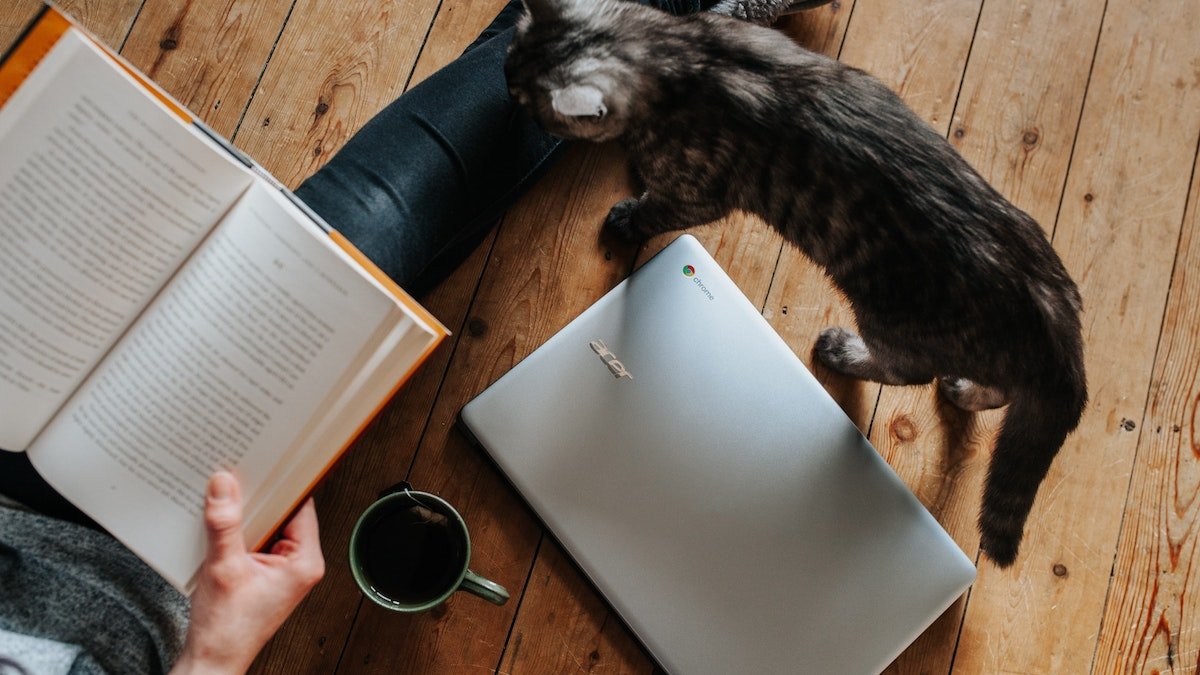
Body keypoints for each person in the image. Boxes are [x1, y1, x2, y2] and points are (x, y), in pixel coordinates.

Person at [0, 0, 822, 672]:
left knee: (389, 228)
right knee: (384, 240)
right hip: (146, 553)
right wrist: (214, 661)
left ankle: (635, 29)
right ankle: (644, 27)